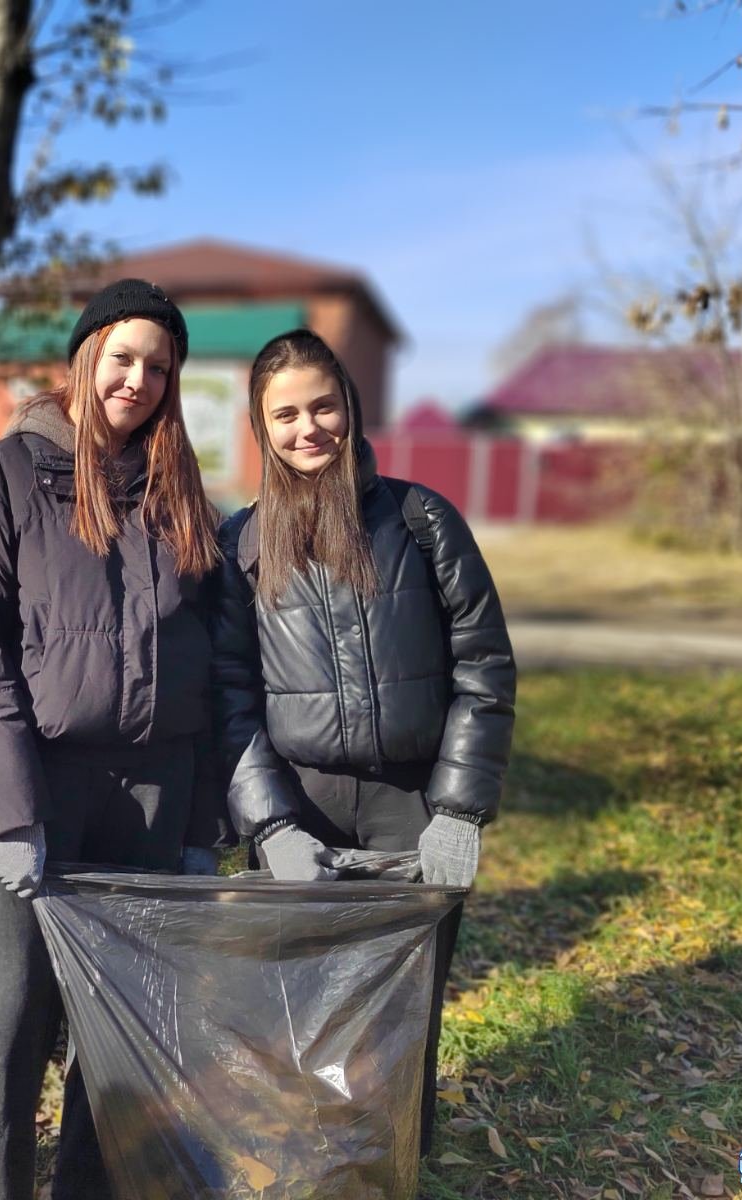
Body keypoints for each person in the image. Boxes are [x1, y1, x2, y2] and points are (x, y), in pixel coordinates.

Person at [0, 279, 226, 1200]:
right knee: (3, 1025)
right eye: (122, 358)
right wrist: (13, 816)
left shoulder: (180, 488)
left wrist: (198, 825)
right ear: (85, 358)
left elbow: (214, 662)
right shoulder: (10, 474)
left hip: (152, 791)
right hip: (36, 788)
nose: (136, 380)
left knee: (126, 1030)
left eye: (157, 367)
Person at [210, 327, 516, 1156]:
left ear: (349, 404)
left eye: (323, 406)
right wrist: (269, 823)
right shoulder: (242, 545)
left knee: (404, 1007)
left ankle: (390, 1162)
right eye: (285, 416)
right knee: (302, 1004)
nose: (308, 429)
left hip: (409, 809)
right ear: (261, 428)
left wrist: (457, 810)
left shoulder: (420, 521)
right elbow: (231, 699)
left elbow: (483, 667)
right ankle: (309, 1159)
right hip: (301, 809)